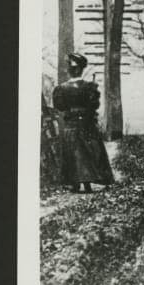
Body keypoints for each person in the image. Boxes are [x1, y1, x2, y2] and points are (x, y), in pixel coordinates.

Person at [51, 53, 114, 192]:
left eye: (72, 68)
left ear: (70, 70)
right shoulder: (90, 87)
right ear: (82, 69)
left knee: (72, 151)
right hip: (87, 122)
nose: (73, 70)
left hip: (71, 124)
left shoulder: (61, 88)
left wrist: (70, 110)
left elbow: (59, 106)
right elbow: (94, 105)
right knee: (90, 150)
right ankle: (87, 182)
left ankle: (75, 183)